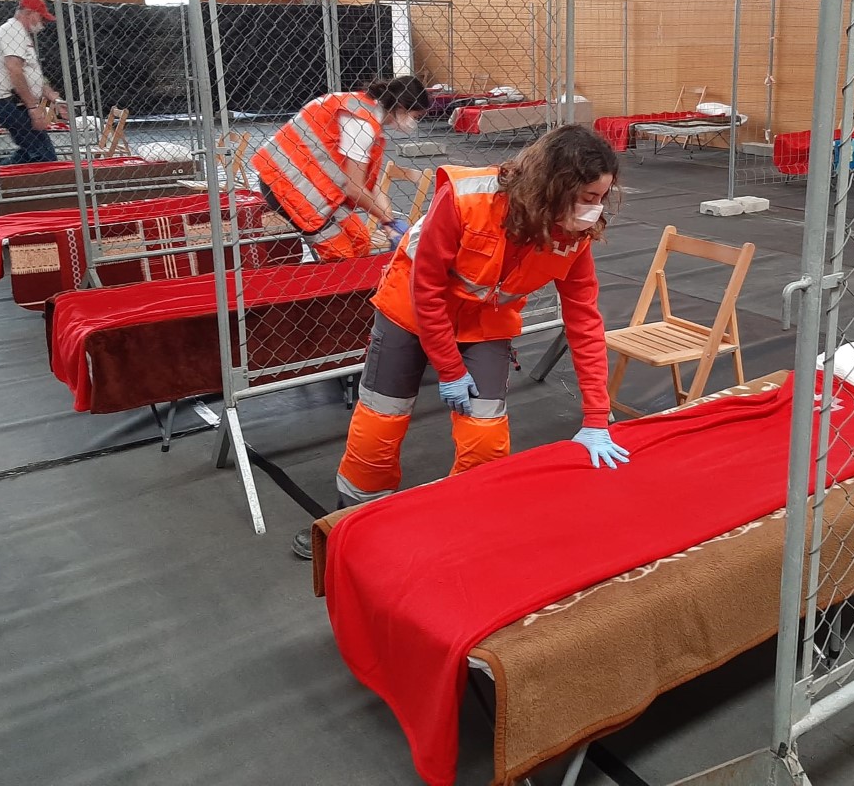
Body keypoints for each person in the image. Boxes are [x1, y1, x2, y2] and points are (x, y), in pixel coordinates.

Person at [291, 124, 630, 558]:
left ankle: (463, 523)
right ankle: (351, 520)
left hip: (484, 323)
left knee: (486, 435)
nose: (594, 210)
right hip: (409, 311)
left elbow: (584, 320)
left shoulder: (574, 234)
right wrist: (449, 369)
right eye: (587, 197)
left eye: (601, 197)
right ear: (553, 187)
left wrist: (597, 417)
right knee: (381, 420)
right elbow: (426, 288)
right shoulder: (466, 198)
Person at [252, 76, 430, 260]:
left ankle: (354, 276)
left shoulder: (364, 111)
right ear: (401, 107)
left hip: (312, 186)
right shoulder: (362, 124)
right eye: (415, 116)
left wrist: (388, 221)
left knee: (360, 240)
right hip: (287, 186)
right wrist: (388, 220)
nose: (414, 123)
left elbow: (369, 183)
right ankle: (343, 277)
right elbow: (355, 189)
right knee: (341, 254)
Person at [0, 0, 68, 165]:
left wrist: (54, 98)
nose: (42, 24)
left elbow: (32, 74)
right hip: (10, 102)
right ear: (29, 13)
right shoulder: (12, 32)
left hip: (15, 103)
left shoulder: (20, 34)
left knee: (32, 152)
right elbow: (15, 70)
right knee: (43, 154)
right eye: (41, 18)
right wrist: (33, 107)